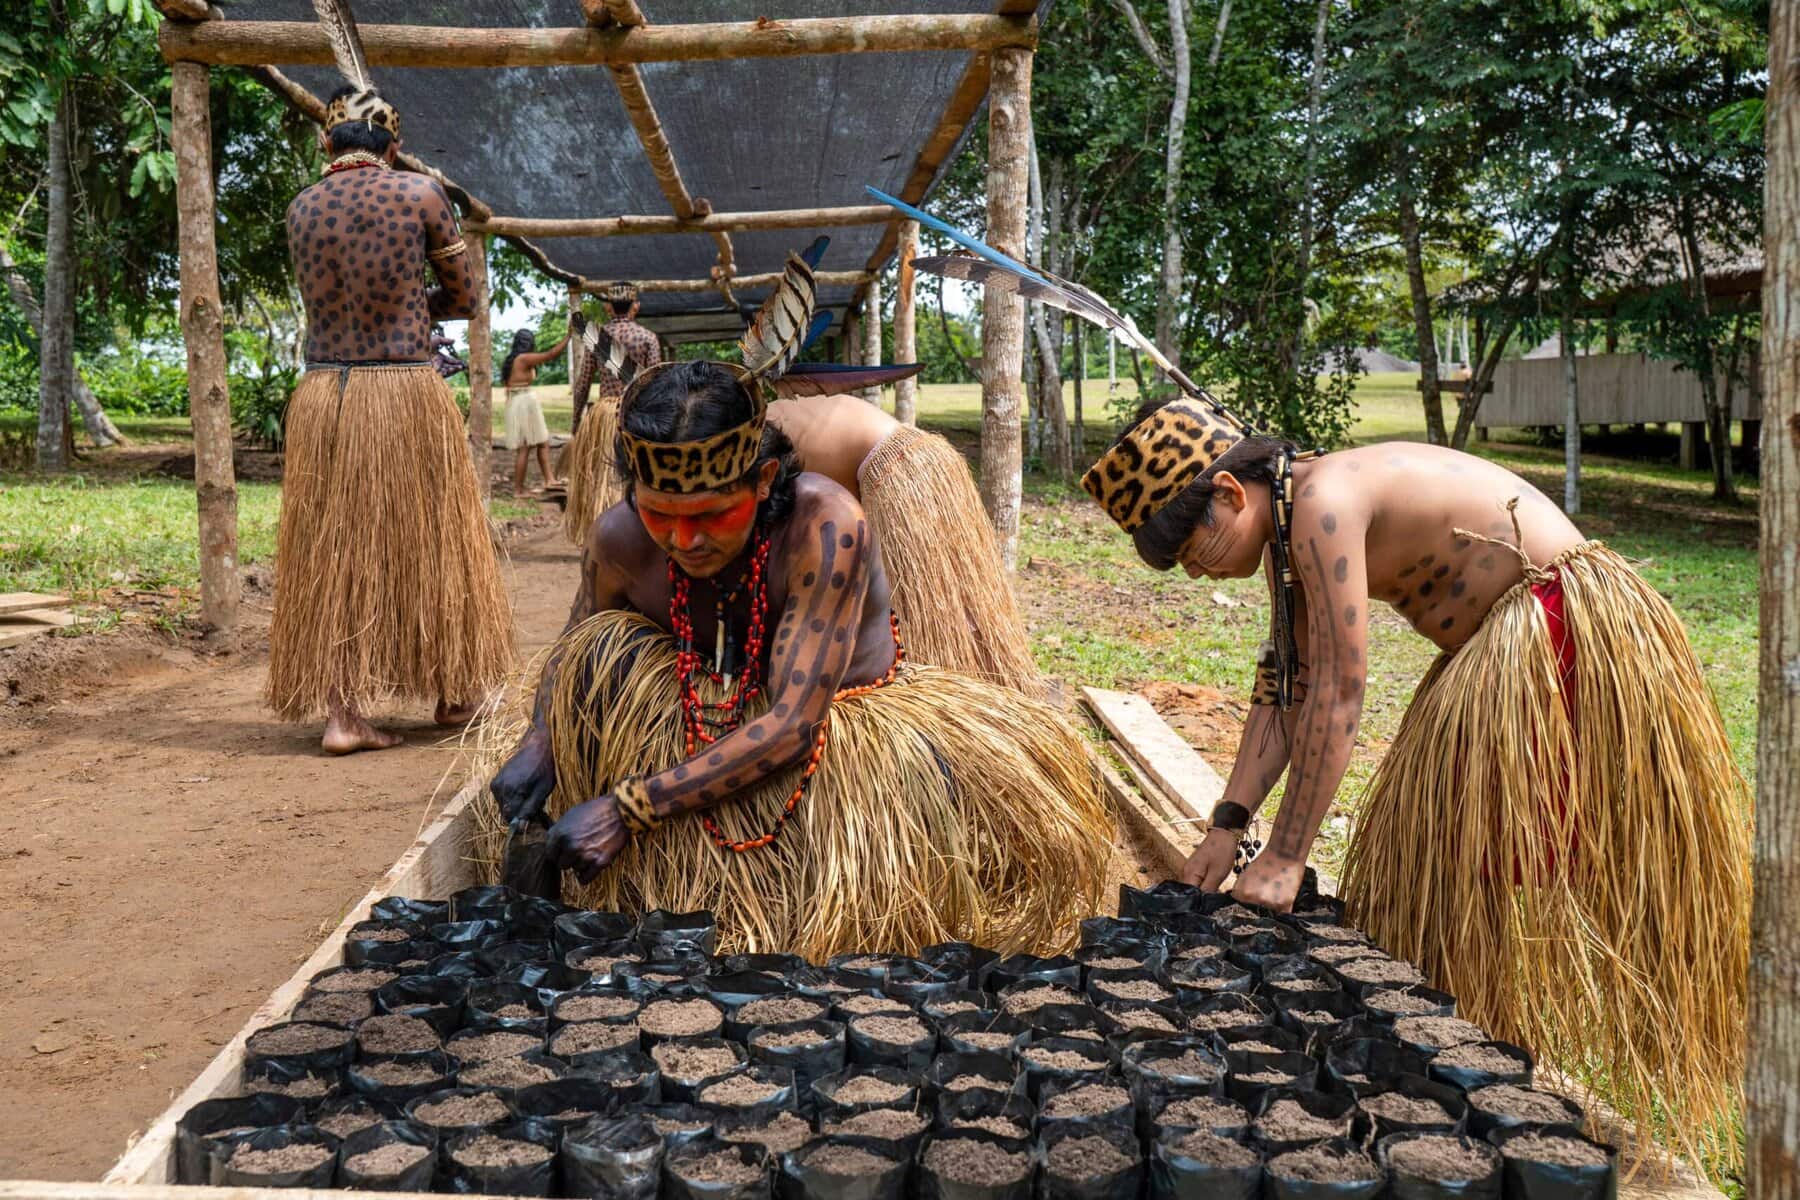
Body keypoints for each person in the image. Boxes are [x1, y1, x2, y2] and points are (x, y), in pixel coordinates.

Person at [1080, 395, 1748, 1151]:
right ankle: (1472, 1044)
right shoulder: (1290, 527)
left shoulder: (1322, 504)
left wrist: (1289, 856)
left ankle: (1507, 1062)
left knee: (1501, 861)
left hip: (1559, 635)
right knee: (1454, 867)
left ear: (1231, 493)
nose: (1197, 574)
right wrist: (1227, 826)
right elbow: (1287, 688)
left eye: (1193, 547)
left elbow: (1338, 686)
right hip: (1492, 652)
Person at [485, 354, 1111, 960]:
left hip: (835, 750)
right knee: (598, 654)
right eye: (660, 514)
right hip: (701, 722)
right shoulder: (618, 537)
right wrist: (542, 740)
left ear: (761, 482)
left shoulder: (824, 525)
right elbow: (574, 648)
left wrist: (631, 808)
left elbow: (791, 726)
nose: (685, 541)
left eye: (712, 514)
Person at [267, 85, 511, 754]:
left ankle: (343, 715)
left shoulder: (302, 208)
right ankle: (454, 690)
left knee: (334, 548)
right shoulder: (419, 195)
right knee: (435, 536)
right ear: (394, 146)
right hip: (403, 384)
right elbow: (464, 299)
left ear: (327, 143)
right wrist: (413, 297)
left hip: (324, 391)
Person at [764, 392, 1040, 692]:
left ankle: (948, 702)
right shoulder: (773, 411)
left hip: (895, 471)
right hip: (927, 455)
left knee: (923, 620)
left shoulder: (748, 432)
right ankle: (993, 684)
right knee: (957, 603)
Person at [563, 282, 660, 544]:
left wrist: (576, 422)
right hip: (634, 414)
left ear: (608, 307)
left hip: (604, 415)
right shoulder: (648, 338)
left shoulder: (597, 338)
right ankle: (636, 531)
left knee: (602, 478)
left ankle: (601, 531)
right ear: (635, 307)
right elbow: (655, 384)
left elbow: (583, 383)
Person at [501, 327, 569, 496]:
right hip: (523, 402)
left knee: (542, 442)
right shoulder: (523, 359)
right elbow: (550, 354)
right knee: (525, 448)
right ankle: (518, 490)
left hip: (521, 401)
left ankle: (549, 480)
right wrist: (568, 336)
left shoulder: (513, 360)